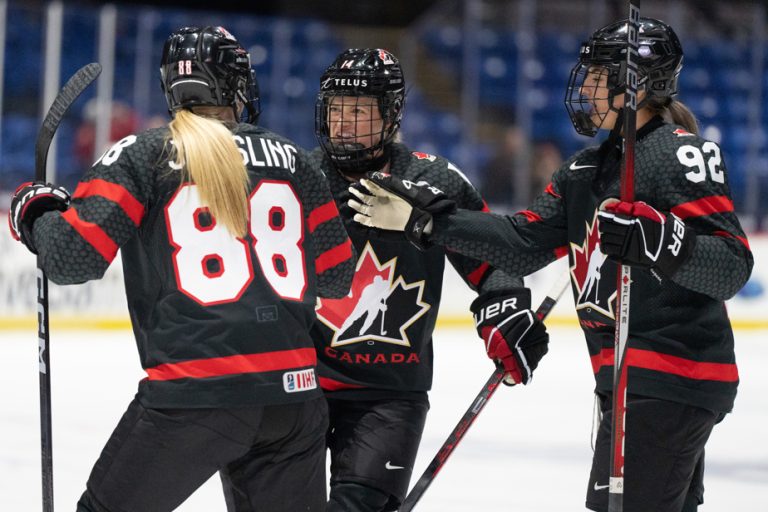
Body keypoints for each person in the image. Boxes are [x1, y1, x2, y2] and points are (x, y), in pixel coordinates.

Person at [349, 18, 753, 512]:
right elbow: (519, 243)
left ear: (635, 83)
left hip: (671, 375)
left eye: (597, 76)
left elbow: (731, 265)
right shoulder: (588, 169)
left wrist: (660, 240)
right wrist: (433, 223)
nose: (583, 86)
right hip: (629, 382)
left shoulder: (679, 155)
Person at [8, 26, 355, 512]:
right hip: (293, 400)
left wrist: (35, 214)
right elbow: (339, 276)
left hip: (195, 398)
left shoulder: (144, 154)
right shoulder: (294, 160)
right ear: (236, 85)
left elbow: (71, 258)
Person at [221, 48, 547, 512]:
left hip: (388, 395)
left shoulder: (432, 179)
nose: (343, 122)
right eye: (335, 109)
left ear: (391, 114)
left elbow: (491, 258)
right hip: (294, 387)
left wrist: (506, 307)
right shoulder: (293, 177)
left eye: (358, 111)